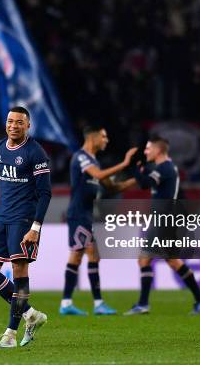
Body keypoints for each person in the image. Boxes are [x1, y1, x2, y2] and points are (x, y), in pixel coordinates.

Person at [0, 106, 52, 348]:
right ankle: (31, 314)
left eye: (19, 122)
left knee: (19, 272)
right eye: (10, 121)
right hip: (1, 219)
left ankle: (11, 334)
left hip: (24, 221)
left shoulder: (36, 153)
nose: (13, 126)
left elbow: (45, 193)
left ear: (28, 125)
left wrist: (35, 227)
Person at [124, 136, 200, 315]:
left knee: (145, 259)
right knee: (171, 261)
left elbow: (144, 184)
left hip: (163, 220)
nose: (146, 151)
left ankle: (143, 304)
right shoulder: (165, 168)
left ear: (158, 150)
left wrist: (134, 166)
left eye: (148, 149)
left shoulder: (165, 168)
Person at [60, 126, 138, 315]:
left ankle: (81, 303)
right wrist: (125, 163)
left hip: (85, 215)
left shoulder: (93, 161)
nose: (106, 140)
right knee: (80, 256)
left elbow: (111, 186)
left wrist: (138, 179)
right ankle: (79, 304)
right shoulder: (81, 157)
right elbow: (100, 176)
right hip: (78, 214)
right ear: (93, 137)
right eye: (103, 136)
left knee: (89, 256)